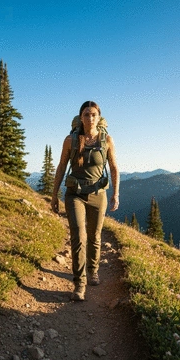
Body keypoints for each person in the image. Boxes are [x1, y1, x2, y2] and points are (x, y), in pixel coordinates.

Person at [51, 101, 120, 301]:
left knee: (95, 236)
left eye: (93, 115)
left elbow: (114, 168)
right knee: (78, 236)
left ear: (99, 118)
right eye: (86, 114)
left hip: (98, 195)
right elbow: (62, 166)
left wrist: (116, 194)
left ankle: (93, 270)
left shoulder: (107, 140)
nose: (90, 118)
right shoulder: (70, 140)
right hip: (75, 194)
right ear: (81, 117)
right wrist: (54, 194)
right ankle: (79, 283)